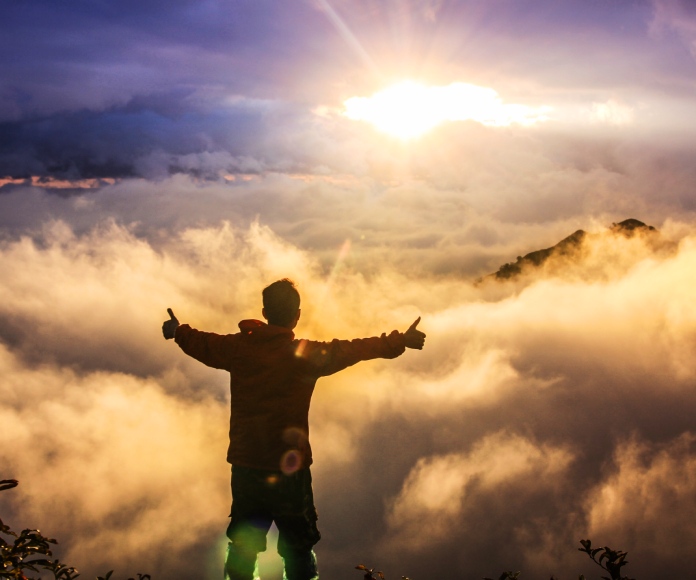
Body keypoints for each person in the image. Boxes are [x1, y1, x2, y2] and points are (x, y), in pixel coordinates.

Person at [162, 278, 425, 580]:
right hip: (291, 470)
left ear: (264, 311)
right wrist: (399, 341)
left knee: (243, 546)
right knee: (298, 548)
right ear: (296, 315)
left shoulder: (237, 349)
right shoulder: (303, 355)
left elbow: (202, 342)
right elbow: (351, 349)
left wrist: (176, 331)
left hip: (247, 467)